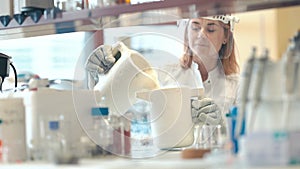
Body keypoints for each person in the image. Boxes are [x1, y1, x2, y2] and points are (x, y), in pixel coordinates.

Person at [85, 15, 240, 129]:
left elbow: (244, 133)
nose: (201, 35)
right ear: (187, 31)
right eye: (195, 27)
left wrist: (222, 126)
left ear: (226, 36)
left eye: (211, 29)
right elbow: (118, 110)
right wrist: (98, 75)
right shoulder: (164, 75)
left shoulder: (236, 86)